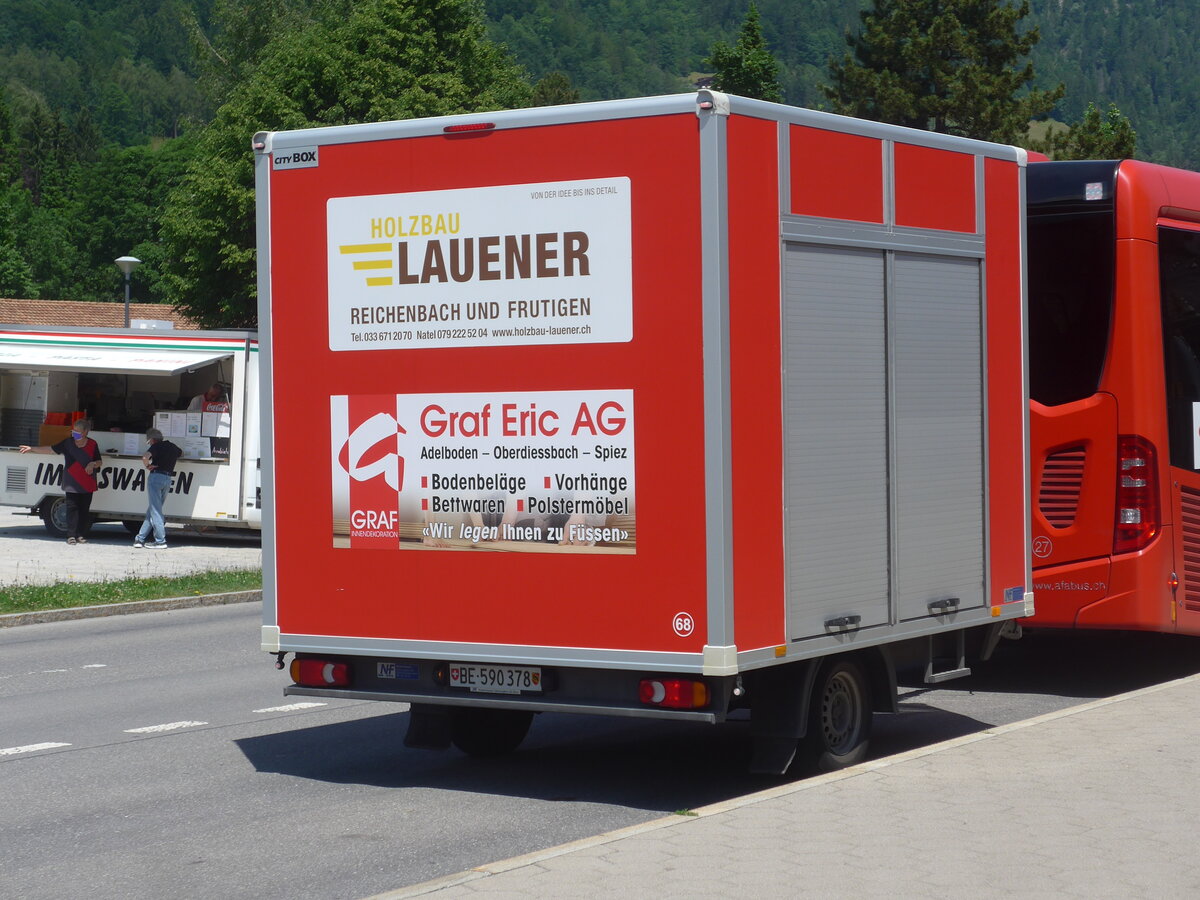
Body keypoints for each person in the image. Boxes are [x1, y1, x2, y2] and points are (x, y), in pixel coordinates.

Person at [19, 418, 103, 545]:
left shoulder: (93, 444)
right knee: (72, 508)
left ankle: (80, 535)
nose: (75, 434)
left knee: (84, 510)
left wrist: (92, 464)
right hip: (71, 482)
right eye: (73, 431)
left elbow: (99, 461)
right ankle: (71, 536)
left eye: (78, 432)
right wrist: (32, 448)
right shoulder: (67, 443)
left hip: (87, 482)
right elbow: (51, 449)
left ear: (86, 432)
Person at [134, 428, 182, 549]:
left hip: (156, 478)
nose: (149, 444)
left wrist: (148, 466)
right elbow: (181, 453)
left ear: (152, 440)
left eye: (149, 442)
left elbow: (145, 457)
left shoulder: (155, 447)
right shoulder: (173, 446)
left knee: (155, 511)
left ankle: (160, 541)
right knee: (152, 510)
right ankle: (139, 539)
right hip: (167, 479)